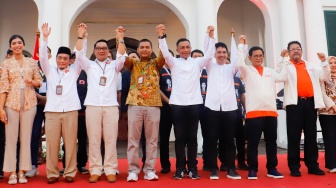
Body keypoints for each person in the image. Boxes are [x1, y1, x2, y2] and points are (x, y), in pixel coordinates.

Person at [157, 24, 216, 180]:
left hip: (195, 103)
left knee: (192, 137)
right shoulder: (173, 62)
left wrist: (210, 37)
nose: (185, 49)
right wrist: (161, 37)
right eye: (182, 47)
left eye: (187, 47)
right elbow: (164, 52)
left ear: (190, 48)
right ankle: (180, 168)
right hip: (177, 104)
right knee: (179, 137)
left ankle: (192, 168)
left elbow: (210, 55)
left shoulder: (197, 62)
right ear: (177, 50)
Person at [75, 23, 126, 183]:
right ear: (94, 51)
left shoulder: (114, 66)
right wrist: (81, 36)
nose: (102, 50)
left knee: (111, 139)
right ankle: (95, 169)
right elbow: (78, 53)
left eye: (104, 48)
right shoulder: (89, 65)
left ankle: (110, 169)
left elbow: (122, 56)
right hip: (93, 106)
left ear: (108, 50)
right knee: (94, 139)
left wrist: (121, 39)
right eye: (98, 48)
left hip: (111, 106)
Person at [237, 35, 287, 180]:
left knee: (271, 142)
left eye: (261, 56)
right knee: (253, 143)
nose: (258, 58)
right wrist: (241, 46)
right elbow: (239, 63)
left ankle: (272, 168)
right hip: (254, 113)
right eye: (255, 56)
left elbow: (283, 76)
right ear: (250, 57)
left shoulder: (269, 71)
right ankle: (252, 169)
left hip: (271, 112)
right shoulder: (246, 71)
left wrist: (283, 59)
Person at [278, 41, 330, 177]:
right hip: (294, 104)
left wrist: (324, 62)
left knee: (311, 136)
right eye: (293, 49)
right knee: (294, 136)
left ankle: (312, 165)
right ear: (288, 52)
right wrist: (283, 60)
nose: (296, 51)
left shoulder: (310, 66)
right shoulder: (287, 65)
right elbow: (280, 77)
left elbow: (325, 76)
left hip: (310, 104)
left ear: (301, 51)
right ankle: (294, 167)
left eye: (298, 49)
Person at [39, 23, 81, 184]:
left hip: (70, 111)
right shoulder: (49, 70)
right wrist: (45, 37)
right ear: (55, 59)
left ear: (69, 60)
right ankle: (52, 173)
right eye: (60, 58)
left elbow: (79, 52)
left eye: (65, 58)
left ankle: (70, 172)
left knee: (70, 144)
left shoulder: (74, 71)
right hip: (52, 112)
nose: (62, 61)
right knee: (52, 144)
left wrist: (80, 36)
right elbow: (42, 56)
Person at [121, 35, 165, 181]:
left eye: (147, 47)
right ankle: (133, 170)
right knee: (133, 139)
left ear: (151, 49)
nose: (145, 49)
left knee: (152, 140)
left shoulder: (156, 63)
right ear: (138, 50)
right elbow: (122, 57)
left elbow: (164, 55)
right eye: (142, 47)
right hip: (135, 104)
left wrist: (161, 37)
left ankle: (150, 170)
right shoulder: (133, 63)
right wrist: (120, 39)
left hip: (153, 104)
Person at [0, 34, 42, 185]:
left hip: (29, 103)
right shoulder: (6, 64)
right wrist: (1, 109)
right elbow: (3, 87)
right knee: (11, 139)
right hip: (11, 103)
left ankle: (22, 171)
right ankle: (11, 171)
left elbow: (40, 81)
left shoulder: (32, 62)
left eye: (19, 43)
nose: (17, 45)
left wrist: (33, 81)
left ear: (23, 45)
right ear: (11, 46)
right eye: (14, 43)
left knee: (26, 138)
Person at [204, 42, 241, 180]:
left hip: (229, 108)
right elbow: (206, 53)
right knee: (212, 139)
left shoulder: (231, 68)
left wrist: (242, 45)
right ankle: (213, 168)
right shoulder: (210, 66)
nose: (222, 55)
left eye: (224, 52)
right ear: (214, 54)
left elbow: (239, 59)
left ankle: (231, 168)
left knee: (230, 140)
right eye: (219, 52)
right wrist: (209, 37)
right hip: (212, 107)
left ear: (227, 54)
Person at [25, 46, 51, 178]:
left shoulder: (53, 68)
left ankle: (53, 168)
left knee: (53, 136)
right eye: (40, 53)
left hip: (52, 105)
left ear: (50, 56)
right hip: (36, 104)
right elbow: (27, 86)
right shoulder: (31, 69)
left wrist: (47, 99)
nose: (42, 55)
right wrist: (40, 98)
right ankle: (33, 165)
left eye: (46, 52)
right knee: (34, 134)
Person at [218, 59, 248, 171]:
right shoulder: (219, 79)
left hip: (237, 112)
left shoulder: (238, 79)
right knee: (224, 138)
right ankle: (224, 162)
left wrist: (246, 110)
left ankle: (241, 161)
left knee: (240, 138)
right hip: (224, 112)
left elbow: (242, 95)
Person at [319, 56, 336, 173]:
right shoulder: (323, 77)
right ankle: (332, 164)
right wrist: (333, 106)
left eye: (335, 63)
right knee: (330, 139)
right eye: (331, 63)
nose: (334, 65)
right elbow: (322, 94)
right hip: (327, 112)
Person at [158, 50, 174, 174]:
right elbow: (157, 88)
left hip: (179, 106)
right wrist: (168, 101)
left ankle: (182, 164)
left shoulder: (177, 69)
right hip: (165, 107)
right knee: (164, 137)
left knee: (181, 137)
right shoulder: (159, 70)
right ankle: (165, 164)